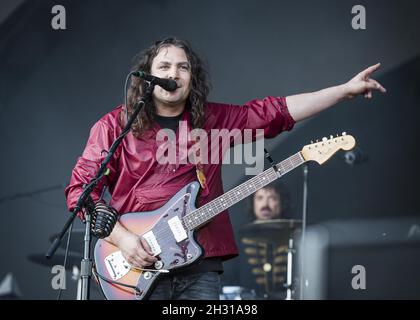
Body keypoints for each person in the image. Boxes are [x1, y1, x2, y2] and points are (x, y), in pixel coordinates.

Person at [64, 37, 386, 300]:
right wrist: (122, 239)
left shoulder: (213, 122)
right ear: (148, 76)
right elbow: (81, 190)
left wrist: (343, 91)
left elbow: (276, 113)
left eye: (182, 67)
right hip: (137, 265)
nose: (173, 73)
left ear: (193, 78)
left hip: (200, 270)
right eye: (164, 66)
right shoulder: (115, 126)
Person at [239, 184, 294, 299]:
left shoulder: (295, 236)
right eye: (260, 198)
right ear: (252, 203)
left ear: (282, 203)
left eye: (272, 198)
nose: (265, 204)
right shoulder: (239, 237)